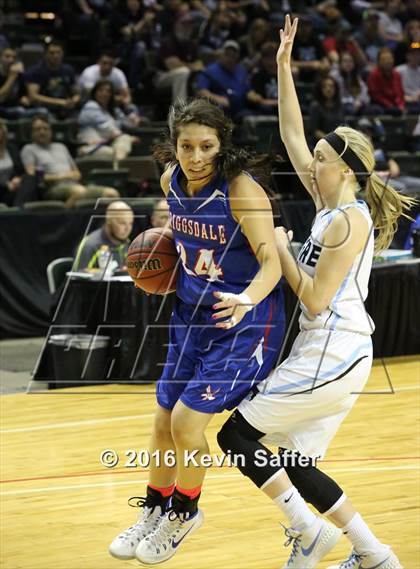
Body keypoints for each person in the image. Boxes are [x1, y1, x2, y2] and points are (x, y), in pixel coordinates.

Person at [217, 16, 414, 569]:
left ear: (345, 170)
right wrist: (282, 65)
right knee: (299, 468)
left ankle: (308, 535)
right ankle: (377, 556)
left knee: (236, 435)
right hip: (332, 351)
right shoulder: (332, 206)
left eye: (323, 160)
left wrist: (279, 246)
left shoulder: (348, 221)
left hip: (334, 346)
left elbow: (315, 298)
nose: (312, 163)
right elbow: (292, 134)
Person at [108, 97, 286, 563]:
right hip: (192, 315)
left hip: (244, 321)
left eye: (206, 145)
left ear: (221, 144)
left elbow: (270, 263)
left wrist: (246, 298)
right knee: (164, 419)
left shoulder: (242, 191)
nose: (196, 156)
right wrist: (160, 270)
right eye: (187, 146)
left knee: (188, 422)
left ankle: (186, 513)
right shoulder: (171, 182)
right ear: (175, 147)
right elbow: (182, 245)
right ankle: (154, 507)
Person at [20, 115, 119, 207]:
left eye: (46, 128)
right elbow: (31, 176)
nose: (42, 132)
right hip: (52, 189)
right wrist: (60, 176)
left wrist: (71, 175)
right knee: (79, 192)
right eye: (38, 129)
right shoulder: (29, 149)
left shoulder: (61, 147)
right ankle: (65, 222)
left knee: (112, 194)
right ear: (32, 133)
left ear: (51, 131)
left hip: (75, 185)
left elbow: (77, 173)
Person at [77, 79, 137, 159]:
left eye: (108, 91)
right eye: (101, 90)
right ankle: (119, 165)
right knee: (122, 143)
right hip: (90, 147)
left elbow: (129, 124)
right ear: (95, 93)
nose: (104, 93)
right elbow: (108, 129)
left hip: (108, 144)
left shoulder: (113, 110)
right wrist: (130, 138)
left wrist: (132, 114)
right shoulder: (90, 106)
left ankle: (118, 165)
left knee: (124, 139)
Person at [25, 39, 81, 119]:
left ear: (63, 53)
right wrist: (59, 102)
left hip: (65, 107)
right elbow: (33, 97)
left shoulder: (69, 70)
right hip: (44, 108)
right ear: (45, 54)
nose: (55, 56)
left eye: (58, 52)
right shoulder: (36, 71)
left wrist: (74, 100)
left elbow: (76, 93)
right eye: (52, 53)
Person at [196, 40, 251, 119]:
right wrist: (219, 99)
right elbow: (202, 92)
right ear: (221, 55)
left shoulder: (242, 71)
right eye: (227, 55)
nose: (230, 58)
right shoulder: (210, 70)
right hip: (220, 108)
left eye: (233, 55)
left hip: (241, 109)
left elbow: (249, 91)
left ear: (237, 57)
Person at [73, 201, 134, 271]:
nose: (127, 228)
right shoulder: (90, 245)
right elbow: (79, 275)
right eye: (122, 223)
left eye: (130, 223)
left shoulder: (125, 242)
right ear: (108, 221)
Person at [367, 47, 405, 114]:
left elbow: (399, 93)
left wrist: (400, 105)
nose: (387, 61)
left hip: (395, 104)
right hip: (380, 105)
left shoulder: (397, 74)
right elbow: (376, 95)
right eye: (384, 59)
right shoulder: (374, 75)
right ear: (379, 62)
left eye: (389, 58)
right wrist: (390, 105)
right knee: (377, 110)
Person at [308, 76, 344, 143]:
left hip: (338, 141)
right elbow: (315, 131)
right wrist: (330, 140)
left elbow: (343, 126)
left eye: (331, 86)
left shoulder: (340, 106)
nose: (328, 89)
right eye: (325, 86)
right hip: (321, 143)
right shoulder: (315, 106)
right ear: (320, 89)